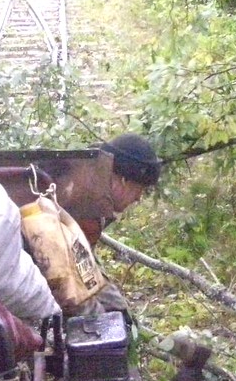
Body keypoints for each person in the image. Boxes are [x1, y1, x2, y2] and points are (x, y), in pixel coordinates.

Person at [50, 133, 161, 316]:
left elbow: (87, 268)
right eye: (139, 189)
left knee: (117, 312)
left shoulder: (94, 196)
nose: (138, 198)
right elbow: (67, 281)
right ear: (124, 181)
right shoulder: (82, 202)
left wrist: (119, 312)